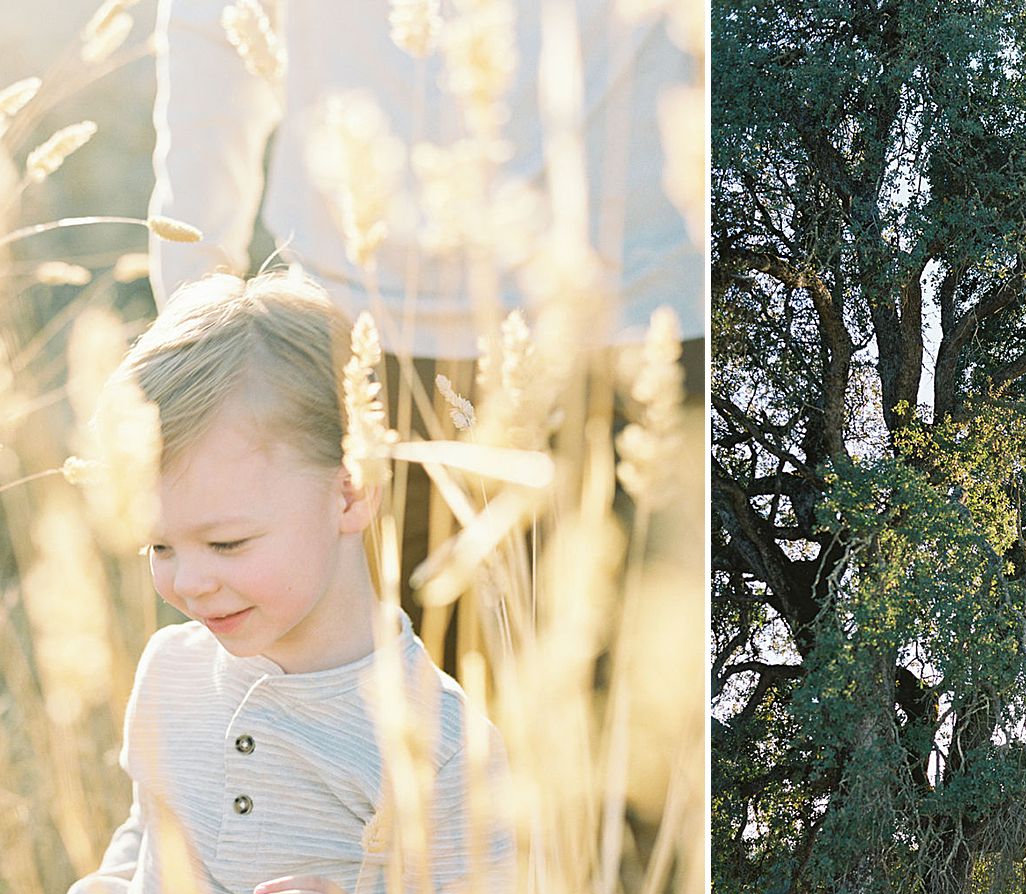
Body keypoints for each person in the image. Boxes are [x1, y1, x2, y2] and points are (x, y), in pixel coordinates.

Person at [3, 271, 515, 894]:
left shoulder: (434, 736)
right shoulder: (170, 671)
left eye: (226, 544)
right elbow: (147, 841)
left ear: (351, 491)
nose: (189, 582)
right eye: (160, 546)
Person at [148, 0, 706, 650]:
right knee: (384, 721)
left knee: (631, 715)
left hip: (641, 327)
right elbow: (213, 20)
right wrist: (200, 322)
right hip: (353, 344)